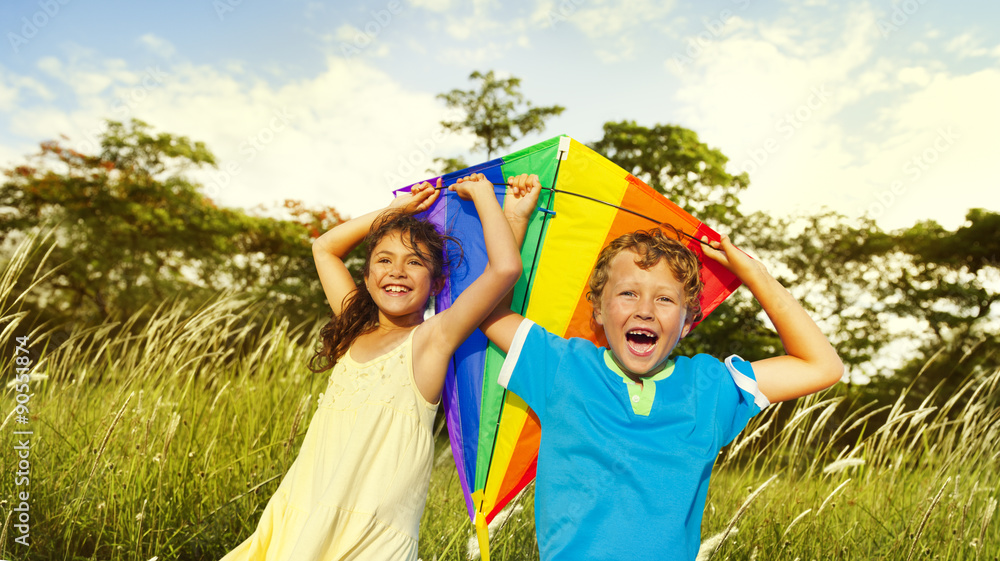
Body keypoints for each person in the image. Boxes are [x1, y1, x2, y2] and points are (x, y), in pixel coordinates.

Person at [480, 178, 844, 560]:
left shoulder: (709, 387)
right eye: (628, 293)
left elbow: (821, 366)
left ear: (687, 323)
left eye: (665, 299)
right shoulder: (563, 367)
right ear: (599, 311)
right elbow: (486, 310)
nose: (646, 310)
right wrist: (514, 219)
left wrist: (757, 275)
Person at [221, 173, 528, 561]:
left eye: (414, 262)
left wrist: (488, 197)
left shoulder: (431, 341)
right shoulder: (353, 331)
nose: (397, 271)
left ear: (435, 284)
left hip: (370, 540)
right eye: (384, 260)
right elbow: (324, 248)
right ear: (366, 279)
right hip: (301, 514)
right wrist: (396, 211)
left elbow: (503, 271)